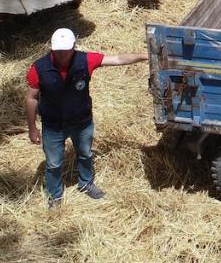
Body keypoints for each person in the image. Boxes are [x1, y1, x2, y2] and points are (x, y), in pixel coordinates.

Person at [26, 28, 148, 208]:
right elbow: (31, 98)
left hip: (81, 122)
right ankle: (54, 195)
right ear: (52, 48)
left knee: (85, 154)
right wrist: (32, 128)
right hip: (53, 125)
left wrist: (145, 56)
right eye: (58, 50)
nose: (61, 54)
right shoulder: (39, 68)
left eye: (66, 50)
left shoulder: (85, 60)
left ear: (74, 46)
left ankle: (86, 183)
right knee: (53, 164)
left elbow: (117, 59)